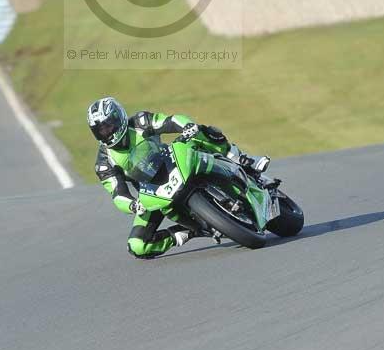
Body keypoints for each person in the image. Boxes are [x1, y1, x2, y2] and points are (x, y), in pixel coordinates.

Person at [88, 96, 269, 259]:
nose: (107, 133)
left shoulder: (139, 122)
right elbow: (117, 193)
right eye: (100, 130)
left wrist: (187, 127)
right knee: (137, 246)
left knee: (200, 132)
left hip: (171, 160)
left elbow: (170, 121)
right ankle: (189, 231)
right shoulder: (104, 162)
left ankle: (241, 158)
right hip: (151, 191)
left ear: (119, 118)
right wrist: (133, 205)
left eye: (108, 125)